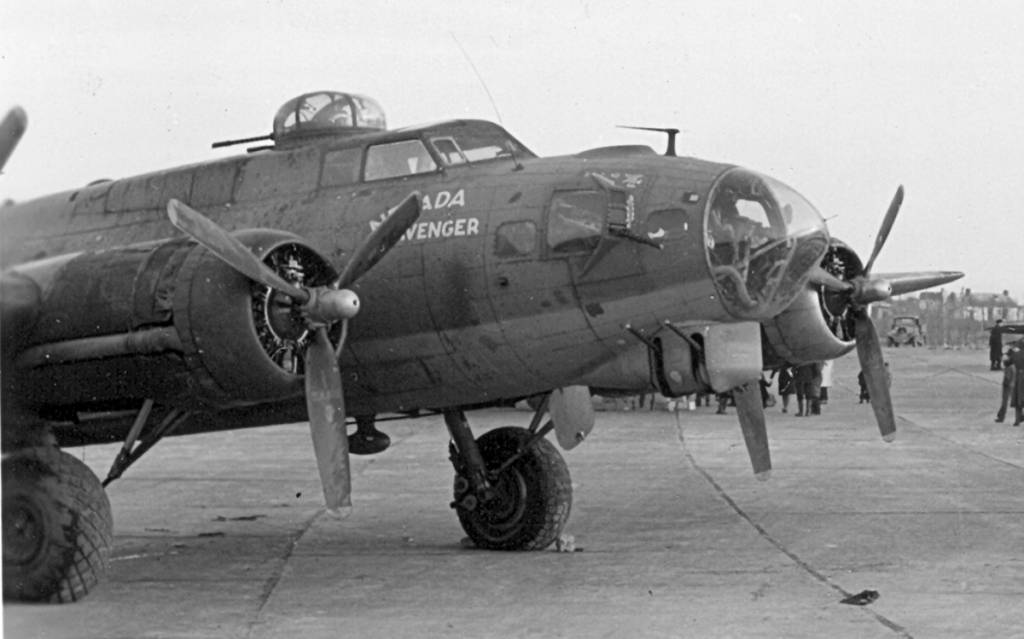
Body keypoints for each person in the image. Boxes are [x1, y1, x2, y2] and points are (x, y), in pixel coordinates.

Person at [995, 348, 1017, 423]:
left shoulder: (1010, 366)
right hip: (1011, 385)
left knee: (1005, 401)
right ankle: (1001, 415)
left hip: (1008, 386)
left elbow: (1008, 378)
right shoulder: (1013, 366)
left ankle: (1001, 416)